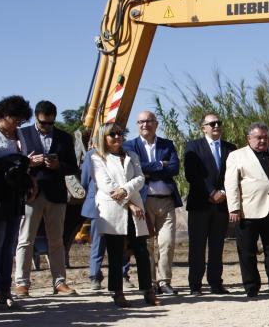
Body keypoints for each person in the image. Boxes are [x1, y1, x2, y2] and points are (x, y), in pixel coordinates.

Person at [14, 100, 79, 297]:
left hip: (56, 195)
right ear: (36, 118)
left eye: (51, 123)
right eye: (44, 123)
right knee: (25, 240)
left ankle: (59, 282)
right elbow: (14, 163)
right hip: (31, 194)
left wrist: (59, 166)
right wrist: (28, 163)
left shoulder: (65, 138)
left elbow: (73, 167)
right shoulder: (22, 134)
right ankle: (22, 283)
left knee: (56, 240)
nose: (47, 127)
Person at [91, 123, 156, 307]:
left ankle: (148, 290)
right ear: (104, 137)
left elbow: (140, 178)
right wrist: (129, 204)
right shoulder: (98, 158)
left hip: (134, 205)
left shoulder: (131, 155)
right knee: (115, 252)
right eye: (113, 134)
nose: (118, 137)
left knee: (141, 250)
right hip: (113, 210)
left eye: (120, 133)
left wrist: (125, 189)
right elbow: (106, 185)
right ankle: (117, 292)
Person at [225, 122, 269, 297]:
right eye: (258, 137)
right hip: (248, 212)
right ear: (249, 138)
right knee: (247, 252)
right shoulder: (236, 156)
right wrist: (234, 208)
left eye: (265, 137)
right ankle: (252, 287)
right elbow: (230, 184)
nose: (262, 140)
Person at [124, 110, 182, 296]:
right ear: (137, 125)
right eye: (141, 122)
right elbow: (135, 169)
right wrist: (160, 165)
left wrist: (149, 169)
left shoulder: (167, 144)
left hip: (166, 201)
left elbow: (174, 169)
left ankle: (165, 281)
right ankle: (149, 282)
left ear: (156, 124)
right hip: (143, 201)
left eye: (149, 121)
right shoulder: (129, 146)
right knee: (146, 245)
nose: (144, 125)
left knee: (167, 243)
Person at [183, 113, 236, 296]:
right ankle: (195, 285)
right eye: (212, 123)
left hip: (222, 204)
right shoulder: (193, 146)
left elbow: (233, 175)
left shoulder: (231, 148)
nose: (216, 126)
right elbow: (192, 174)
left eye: (219, 123)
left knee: (217, 245)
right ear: (203, 127)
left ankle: (216, 282)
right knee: (197, 246)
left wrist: (223, 192)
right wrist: (210, 192)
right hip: (200, 204)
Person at [0, 96, 35, 309]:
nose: (18, 123)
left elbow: (23, 161)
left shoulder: (18, 134)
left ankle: (5, 289)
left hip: (14, 195)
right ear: (4, 114)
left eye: (21, 119)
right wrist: (6, 164)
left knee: (10, 245)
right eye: (15, 118)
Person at [80, 143, 108, 290]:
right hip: (97, 203)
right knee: (98, 242)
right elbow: (84, 181)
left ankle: (124, 274)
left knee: (121, 242)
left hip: (119, 202)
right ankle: (94, 276)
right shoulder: (91, 155)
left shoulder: (124, 153)